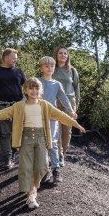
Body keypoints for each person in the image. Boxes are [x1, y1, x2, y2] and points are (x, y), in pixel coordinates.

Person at [0, 78, 86, 209]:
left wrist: (76, 124)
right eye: (31, 88)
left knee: (41, 167)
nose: (34, 91)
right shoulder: (19, 106)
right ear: (25, 90)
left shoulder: (45, 105)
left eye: (36, 88)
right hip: (25, 138)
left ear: (40, 91)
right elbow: (1, 113)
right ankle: (31, 195)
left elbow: (61, 116)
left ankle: (33, 187)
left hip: (41, 138)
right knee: (26, 167)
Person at [37, 56, 75, 184]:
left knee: (52, 143)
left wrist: (71, 111)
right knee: (41, 145)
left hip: (52, 118)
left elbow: (64, 99)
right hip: (38, 118)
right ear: (41, 68)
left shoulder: (57, 84)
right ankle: (44, 170)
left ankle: (56, 170)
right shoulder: (36, 82)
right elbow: (26, 97)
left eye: (52, 66)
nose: (50, 68)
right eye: (46, 66)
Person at [53, 46, 80, 167]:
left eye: (65, 53)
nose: (63, 55)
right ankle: (58, 154)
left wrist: (77, 104)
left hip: (69, 102)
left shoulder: (72, 71)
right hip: (54, 102)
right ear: (56, 55)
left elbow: (77, 88)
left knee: (67, 130)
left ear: (67, 56)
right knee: (56, 129)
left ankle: (63, 153)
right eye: (60, 53)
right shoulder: (52, 68)